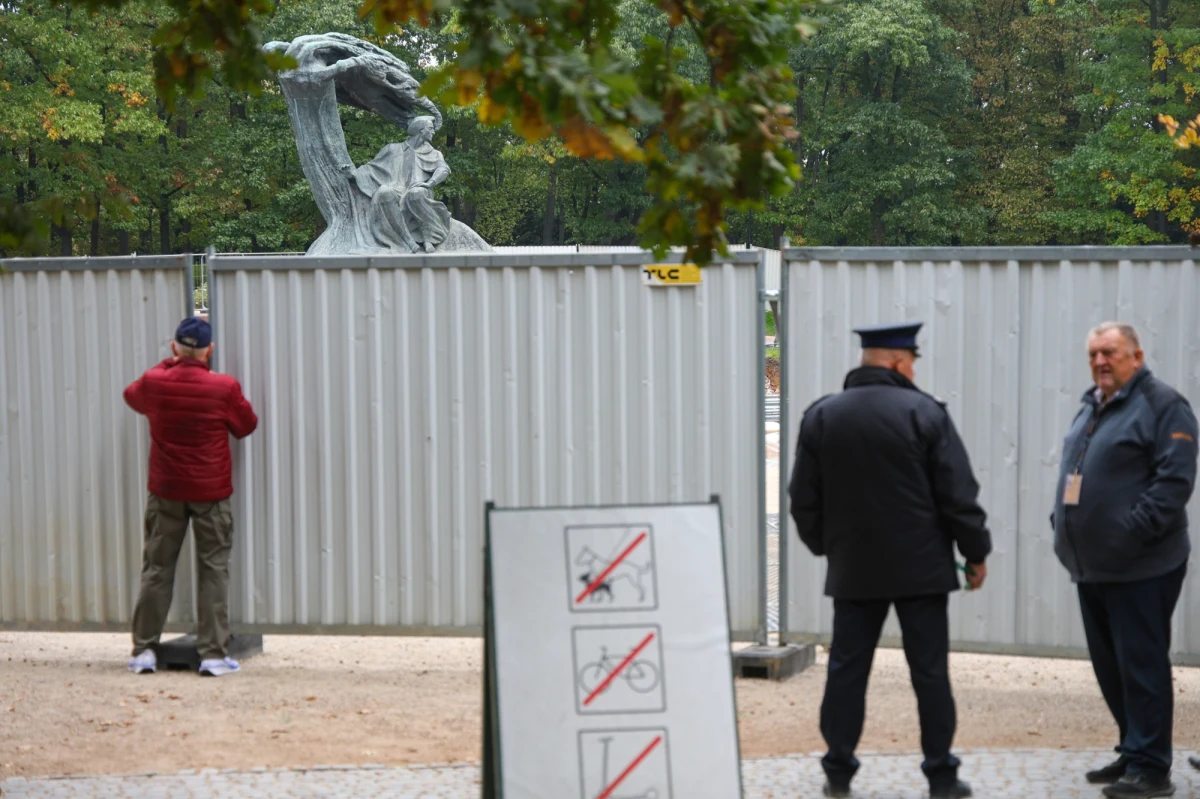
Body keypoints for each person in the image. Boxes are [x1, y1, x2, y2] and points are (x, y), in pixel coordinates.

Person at [788, 321, 991, 799]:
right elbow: (957, 494)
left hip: (853, 569)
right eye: (913, 362)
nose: (914, 369)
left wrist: (827, 547)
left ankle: (838, 771)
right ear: (900, 362)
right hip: (923, 570)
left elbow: (802, 499)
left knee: (847, 671)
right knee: (930, 673)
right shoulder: (925, 413)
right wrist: (975, 553)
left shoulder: (822, 416)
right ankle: (941, 774)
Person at [1051, 322, 1197, 798]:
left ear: (1136, 355)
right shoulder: (1093, 405)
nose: (1099, 362)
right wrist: (1062, 521)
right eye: (1093, 354)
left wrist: (1130, 534)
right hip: (1092, 565)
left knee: (1140, 663)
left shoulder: (1163, 404)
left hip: (1142, 565)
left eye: (1109, 353)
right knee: (1110, 664)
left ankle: (1152, 768)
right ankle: (1133, 748)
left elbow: (1173, 482)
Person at [123, 317, 258, 677]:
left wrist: (171, 366)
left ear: (173, 348)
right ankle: (212, 655)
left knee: (156, 569)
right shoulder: (224, 388)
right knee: (213, 570)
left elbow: (131, 395)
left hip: (166, 491)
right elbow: (246, 426)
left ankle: (144, 652)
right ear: (209, 351)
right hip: (211, 493)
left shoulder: (155, 382)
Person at [342, 114, 453, 253]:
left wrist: (430, 183)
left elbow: (443, 169)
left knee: (415, 193)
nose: (433, 132)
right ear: (421, 130)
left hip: (420, 190)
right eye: (430, 128)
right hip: (397, 189)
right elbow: (372, 167)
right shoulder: (392, 149)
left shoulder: (434, 153)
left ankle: (428, 238)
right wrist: (354, 174)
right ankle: (408, 241)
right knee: (383, 192)